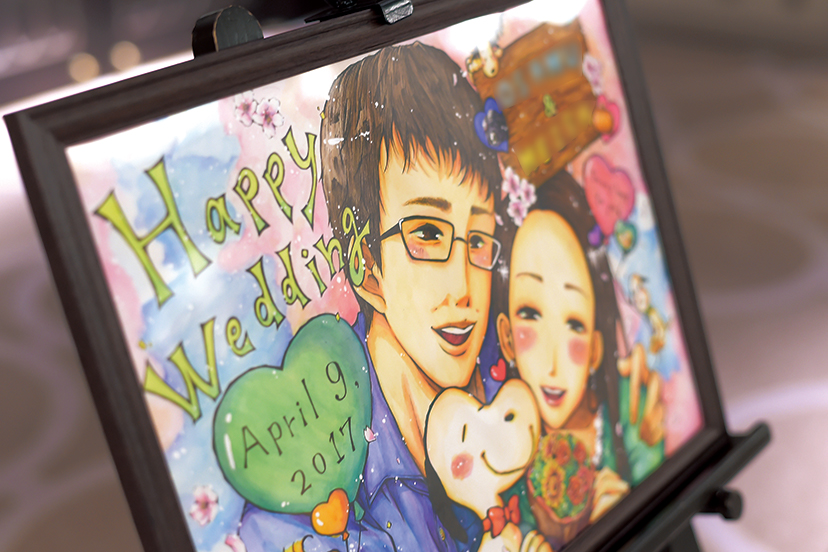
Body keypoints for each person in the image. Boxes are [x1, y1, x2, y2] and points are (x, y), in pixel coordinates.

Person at [239, 42, 504, 552]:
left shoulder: (506, 387)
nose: (464, 289)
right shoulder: (308, 480)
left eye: (478, 240)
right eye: (427, 234)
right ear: (364, 262)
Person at [493, 170, 665, 550]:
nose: (553, 364)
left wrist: (631, 510)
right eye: (530, 314)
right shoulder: (506, 451)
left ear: (596, 346)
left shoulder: (630, 415)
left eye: (574, 324)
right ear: (505, 337)